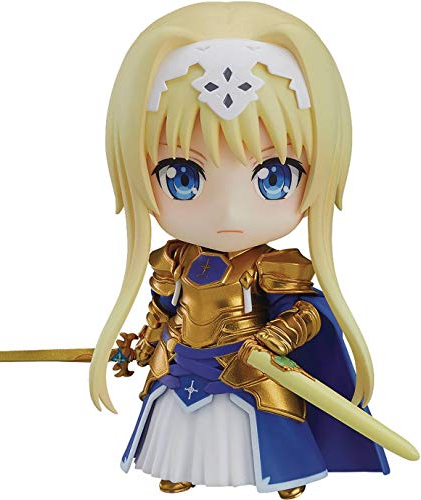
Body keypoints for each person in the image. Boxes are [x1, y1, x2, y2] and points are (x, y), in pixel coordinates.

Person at [89, 2, 389, 497]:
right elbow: (164, 308)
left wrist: (272, 340)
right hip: (183, 361)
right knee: (181, 418)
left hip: (250, 366)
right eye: (182, 177)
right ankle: (182, 467)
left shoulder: (272, 265)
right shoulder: (174, 260)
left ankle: (286, 472)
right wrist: (144, 342)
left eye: (273, 177)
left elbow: (305, 314)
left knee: (263, 422)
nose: (229, 212)